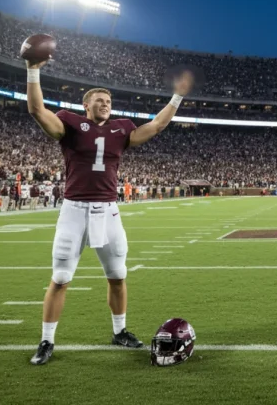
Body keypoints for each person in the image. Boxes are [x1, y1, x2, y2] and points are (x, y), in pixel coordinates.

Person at [25, 55, 195, 366]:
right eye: (100, 100)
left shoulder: (122, 129)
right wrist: (32, 70)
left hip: (108, 210)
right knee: (61, 277)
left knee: (117, 274)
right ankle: (47, 340)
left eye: (109, 101)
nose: (106, 104)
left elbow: (157, 125)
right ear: (86, 105)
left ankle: (119, 332)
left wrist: (178, 95)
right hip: (74, 209)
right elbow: (37, 110)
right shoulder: (70, 123)